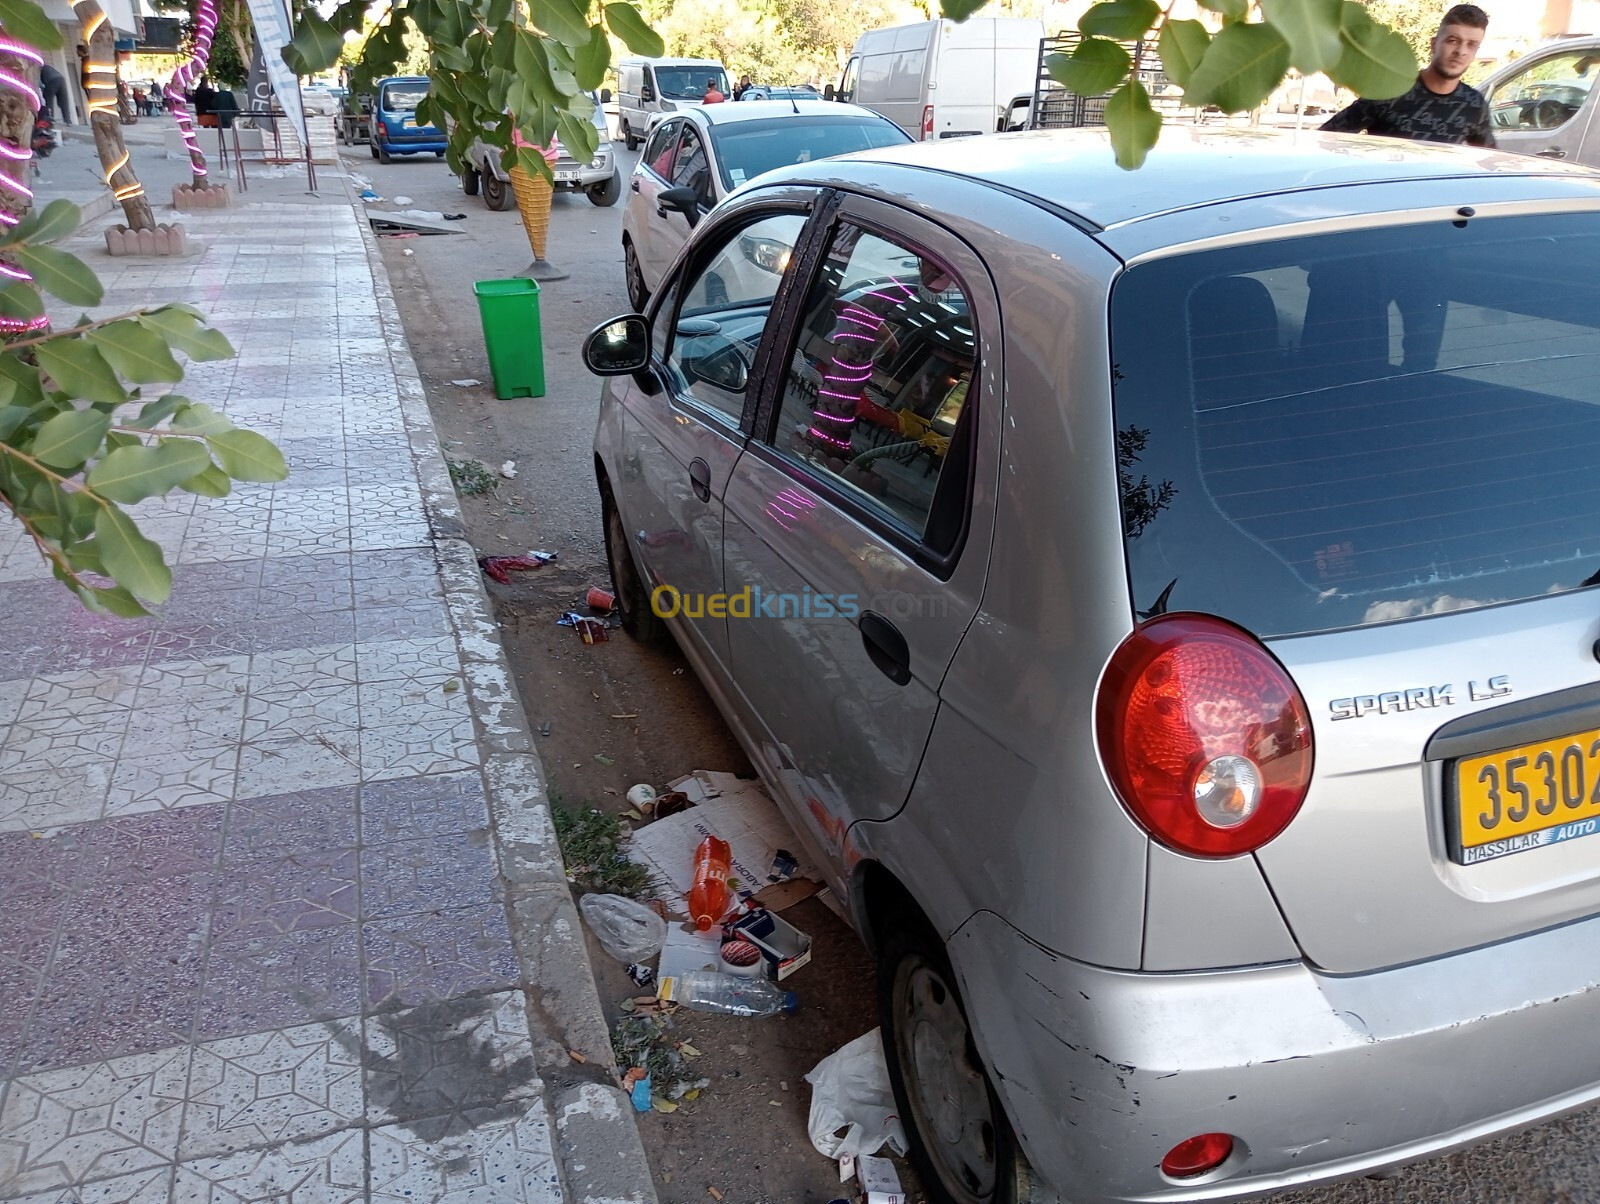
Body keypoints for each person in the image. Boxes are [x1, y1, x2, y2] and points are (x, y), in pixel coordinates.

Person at [1320, 4, 1495, 146]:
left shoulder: (1474, 105)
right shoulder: (1390, 90)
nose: (1461, 51)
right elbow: (1326, 139)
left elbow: (1489, 165)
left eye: (1471, 44)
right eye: (1453, 41)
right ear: (1434, 44)